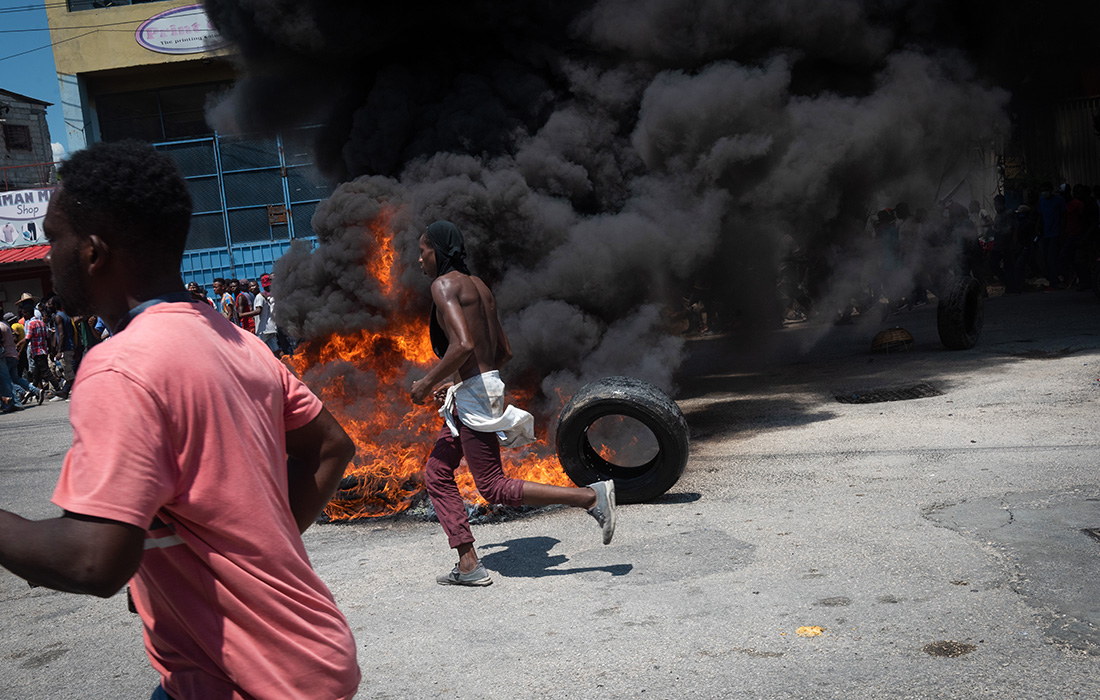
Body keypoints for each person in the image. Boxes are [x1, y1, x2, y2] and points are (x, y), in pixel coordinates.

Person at [0, 140, 361, 699]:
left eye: (54, 239)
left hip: (246, 682)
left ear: (92, 252)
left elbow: (92, 560)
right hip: (311, 654)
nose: (49, 257)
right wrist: (243, 555)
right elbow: (331, 447)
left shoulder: (119, 366)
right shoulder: (238, 342)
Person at [408, 220, 616, 587]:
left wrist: (426, 384)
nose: (419, 259)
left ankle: (590, 497)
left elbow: (463, 345)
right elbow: (502, 352)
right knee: (437, 473)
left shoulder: (443, 286)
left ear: (437, 251)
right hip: (478, 388)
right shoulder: (480, 287)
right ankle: (468, 564)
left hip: (475, 393)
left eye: (422, 251)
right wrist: (458, 385)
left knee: (492, 486)